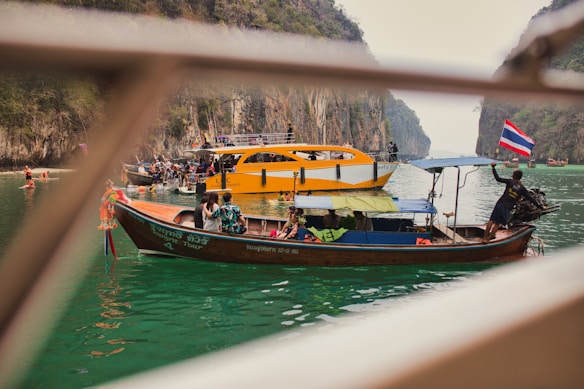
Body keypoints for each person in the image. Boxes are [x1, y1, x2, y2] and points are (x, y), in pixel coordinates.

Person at [482, 162, 544, 243]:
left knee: (491, 220)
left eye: (513, 174)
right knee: (498, 223)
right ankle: (488, 239)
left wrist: (493, 168)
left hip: (500, 203)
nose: (512, 175)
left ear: (514, 176)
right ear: (520, 178)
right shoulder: (522, 188)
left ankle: (484, 238)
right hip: (507, 207)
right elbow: (530, 198)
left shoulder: (510, 182)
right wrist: (540, 206)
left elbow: (498, 178)